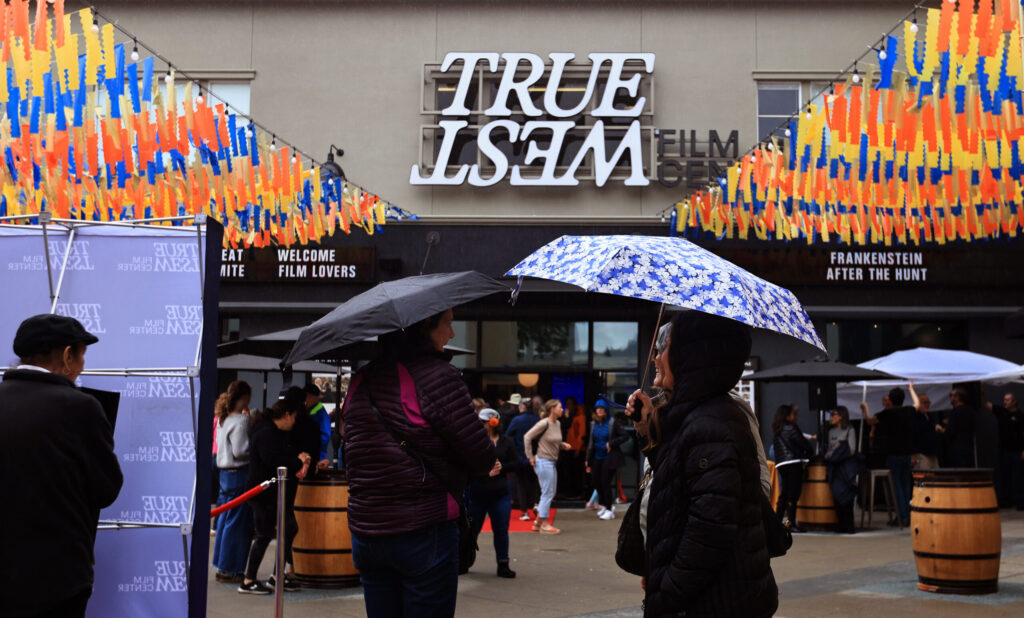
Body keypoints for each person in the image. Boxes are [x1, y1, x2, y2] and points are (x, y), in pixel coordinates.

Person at [341, 309, 495, 617]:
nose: (451, 334)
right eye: (448, 324)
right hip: (423, 528)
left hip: (367, 531)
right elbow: (483, 456)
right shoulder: (436, 375)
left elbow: (350, 448)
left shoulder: (361, 380)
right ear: (426, 325)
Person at [629, 311, 778, 617]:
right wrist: (647, 434)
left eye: (666, 347)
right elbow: (681, 482)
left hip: (714, 602)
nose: (656, 358)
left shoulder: (711, 422)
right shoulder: (698, 416)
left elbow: (709, 528)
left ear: (692, 355)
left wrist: (667, 592)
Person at [0, 314, 123, 617]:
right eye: (82, 356)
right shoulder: (80, 408)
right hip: (57, 579)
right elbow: (106, 489)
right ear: (68, 356)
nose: (82, 366)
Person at [239, 390, 311, 594]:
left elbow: (282, 455)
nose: (295, 422)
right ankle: (248, 580)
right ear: (287, 415)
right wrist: (299, 461)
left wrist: (299, 458)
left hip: (274, 492)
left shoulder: (276, 432)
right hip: (261, 493)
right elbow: (272, 460)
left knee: (289, 528)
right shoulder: (266, 432)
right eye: (295, 417)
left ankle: (276, 575)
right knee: (264, 534)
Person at [465, 408, 518, 578]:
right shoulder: (473, 442)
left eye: (486, 422)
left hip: (500, 492)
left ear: (494, 423)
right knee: (472, 530)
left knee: (501, 529)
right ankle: (464, 561)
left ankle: (503, 564)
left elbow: (516, 462)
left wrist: (502, 467)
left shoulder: (506, 442)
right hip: (477, 492)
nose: (483, 426)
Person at [212, 380, 254, 583]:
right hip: (239, 474)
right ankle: (231, 567)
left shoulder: (223, 418)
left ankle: (221, 565)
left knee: (225, 519)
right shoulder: (242, 421)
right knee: (237, 522)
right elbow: (240, 451)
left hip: (224, 474)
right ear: (245, 397)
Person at [860, 388, 913, 526]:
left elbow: (870, 421)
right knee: (906, 484)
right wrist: (911, 389)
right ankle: (907, 513)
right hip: (906, 453)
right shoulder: (908, 411)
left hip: (894, 454)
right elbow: (918, 404)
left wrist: (865, 408)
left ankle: (902, 516)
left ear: (890, 399)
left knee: (897, 486)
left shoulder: (887, 414)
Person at [524, 399, 572, 534]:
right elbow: (527, 437)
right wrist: (530, 457)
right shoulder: (544, 423)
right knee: (547, 493)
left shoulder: (557, 423)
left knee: (549, 492)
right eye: (559, 407)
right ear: (552, 409)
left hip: (551, 461)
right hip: (543, 461)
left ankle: (538, 523)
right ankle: (544, 523)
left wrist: (562, 445)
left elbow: (553, 440)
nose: (562, 409)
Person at [771, 403, 813, 531]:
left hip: (782, 463)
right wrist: (809, 453)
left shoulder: (777, 428)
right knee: (793, 494)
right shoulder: (791, 428)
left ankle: (777, 522)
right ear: (788, 415)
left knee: (784, 493)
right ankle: (790, 523)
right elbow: (803, 443)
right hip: (793, 462)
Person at [585, 398, 628, 520]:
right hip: (597, 457)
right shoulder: (593, 424)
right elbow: (590, 443)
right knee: (595, 482)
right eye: (597, 409)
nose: (599, 411)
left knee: (605, 482)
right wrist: (588, 460)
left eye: (602, 409)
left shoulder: (612, 422)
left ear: (606, 410)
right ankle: (605, 504)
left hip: (609, 457)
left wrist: (611, 443)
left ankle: (609, 509)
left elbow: (625, 436)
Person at [505, 395, 541, 520]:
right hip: (535, 456)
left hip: (520, 455)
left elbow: (508, 435)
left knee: (521, 483)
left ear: (523, 407)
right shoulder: (537, 419)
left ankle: (524, 511)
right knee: (534, 482)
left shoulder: (517, 420)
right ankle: (536, 504)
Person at [825, 406, 859, 534]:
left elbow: (852, 449)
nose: (831, 417)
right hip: (834, 466)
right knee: (836, 494)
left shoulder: (850, 430)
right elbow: (829, 449)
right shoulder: (831, 432)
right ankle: (840, 524)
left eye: (834, 414)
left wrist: (839, 450)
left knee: (847, 494)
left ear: (841, 416)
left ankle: (849, 525)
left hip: (845, 466)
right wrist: (834, 452)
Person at [987, 393, 1024, 510]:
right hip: (1003, 451)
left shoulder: (1021, 416)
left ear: (1014, 402)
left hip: (1017, 451)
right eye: (1004, 400)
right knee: (1004, 477)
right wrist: (980, 390)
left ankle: (1020, 502)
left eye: (1008, 400)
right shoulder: (1002, 412)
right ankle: (1005, 501)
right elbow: (987, 405)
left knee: (1018, 478)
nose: (1005, 402)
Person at [908, 381, 943, 470]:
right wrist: (912, 455)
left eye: (928, 402)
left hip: (932, 452)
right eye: (924, 402)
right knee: (924, 476)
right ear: (919, 404)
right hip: (921, 453)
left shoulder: (929, 416)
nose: (927, 405)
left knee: (935, 475)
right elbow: (913, 434)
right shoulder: (915, 416)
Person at [945, 387, 976, 467]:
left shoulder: (955, 412)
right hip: (969, 446)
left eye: (952, 395)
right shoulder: (970, 411)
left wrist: (943, 430)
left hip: (957, 447)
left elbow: (951, 431)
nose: (951, 398)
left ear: (957, 397)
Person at [303, 383, 332, 468]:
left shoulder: (321, 414)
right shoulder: (310, 411)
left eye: (305, 397)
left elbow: (325, 436)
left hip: (317, 458)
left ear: (310, 396)